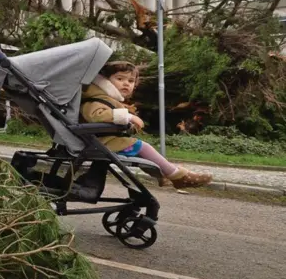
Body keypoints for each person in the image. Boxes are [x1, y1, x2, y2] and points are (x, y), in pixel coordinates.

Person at [82, 61, 212, 189]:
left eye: (131, 81)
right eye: (120, 78)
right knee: (142, 147)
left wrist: (129, 126)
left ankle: (165, 175)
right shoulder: (97, 99)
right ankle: (177, 176)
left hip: (103, 141)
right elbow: (96, 115)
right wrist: (128, 117)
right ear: (105, 81)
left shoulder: (108, 99)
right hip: (99, 143)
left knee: (140, 152)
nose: (126, 83)